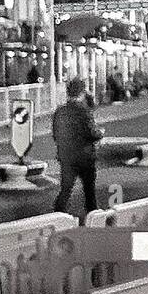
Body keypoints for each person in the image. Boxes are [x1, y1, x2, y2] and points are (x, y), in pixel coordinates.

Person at [51, 76, 102, 217]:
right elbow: (91, 133)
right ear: (82, 92)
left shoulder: (60, 111)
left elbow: (56, 134)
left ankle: (58, 214)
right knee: (89, 190)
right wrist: (100, 134)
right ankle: (93, 216)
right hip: (85, 156)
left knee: (66, 189)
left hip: (66, 156)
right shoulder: (83, 111)